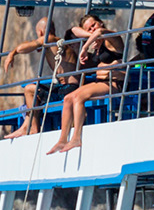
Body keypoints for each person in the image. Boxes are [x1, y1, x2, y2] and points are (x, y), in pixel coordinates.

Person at [48, 13, 123, 154]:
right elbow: (73, 31)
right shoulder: (97, 48)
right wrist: (89, 44)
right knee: (68, 98)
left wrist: (84, 48)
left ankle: (76, 137)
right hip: (100, 82)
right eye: (89, 28)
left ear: (101, 22)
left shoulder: (112, 38)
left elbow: (100, 32)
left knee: (78, 98)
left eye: (94, 24)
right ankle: (62, 139)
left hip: (113, 83)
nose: (93, 29)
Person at [0, 16, 79, 140]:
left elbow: (22, 48)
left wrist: (13, 52)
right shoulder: (59, 43)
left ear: (41, 32)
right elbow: (30, 43)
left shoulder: (48, 39)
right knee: (35, 88)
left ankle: (33, 127)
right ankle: (27, 125)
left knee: (29, 89)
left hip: (68, 89)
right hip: (73, 87)